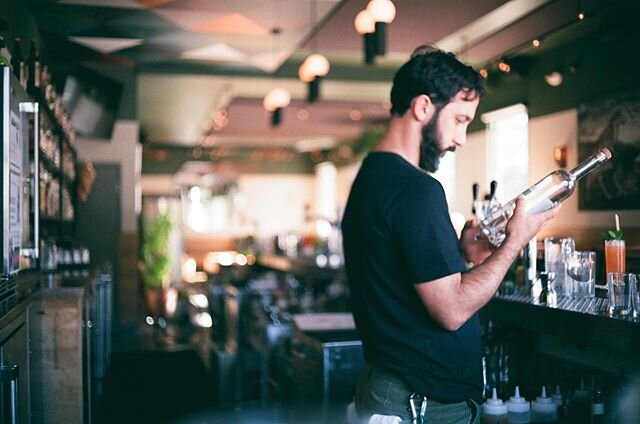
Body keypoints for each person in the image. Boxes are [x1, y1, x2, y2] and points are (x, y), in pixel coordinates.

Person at [341, 45, 559, 423]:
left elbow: (402, 279)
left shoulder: (371, 178)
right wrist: (515, 241)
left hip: (389, 391)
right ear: (423, 107)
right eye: (459, 120)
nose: (460, 138)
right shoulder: (416, 189)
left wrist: (459, 255)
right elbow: (452, 310)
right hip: (418, 405)